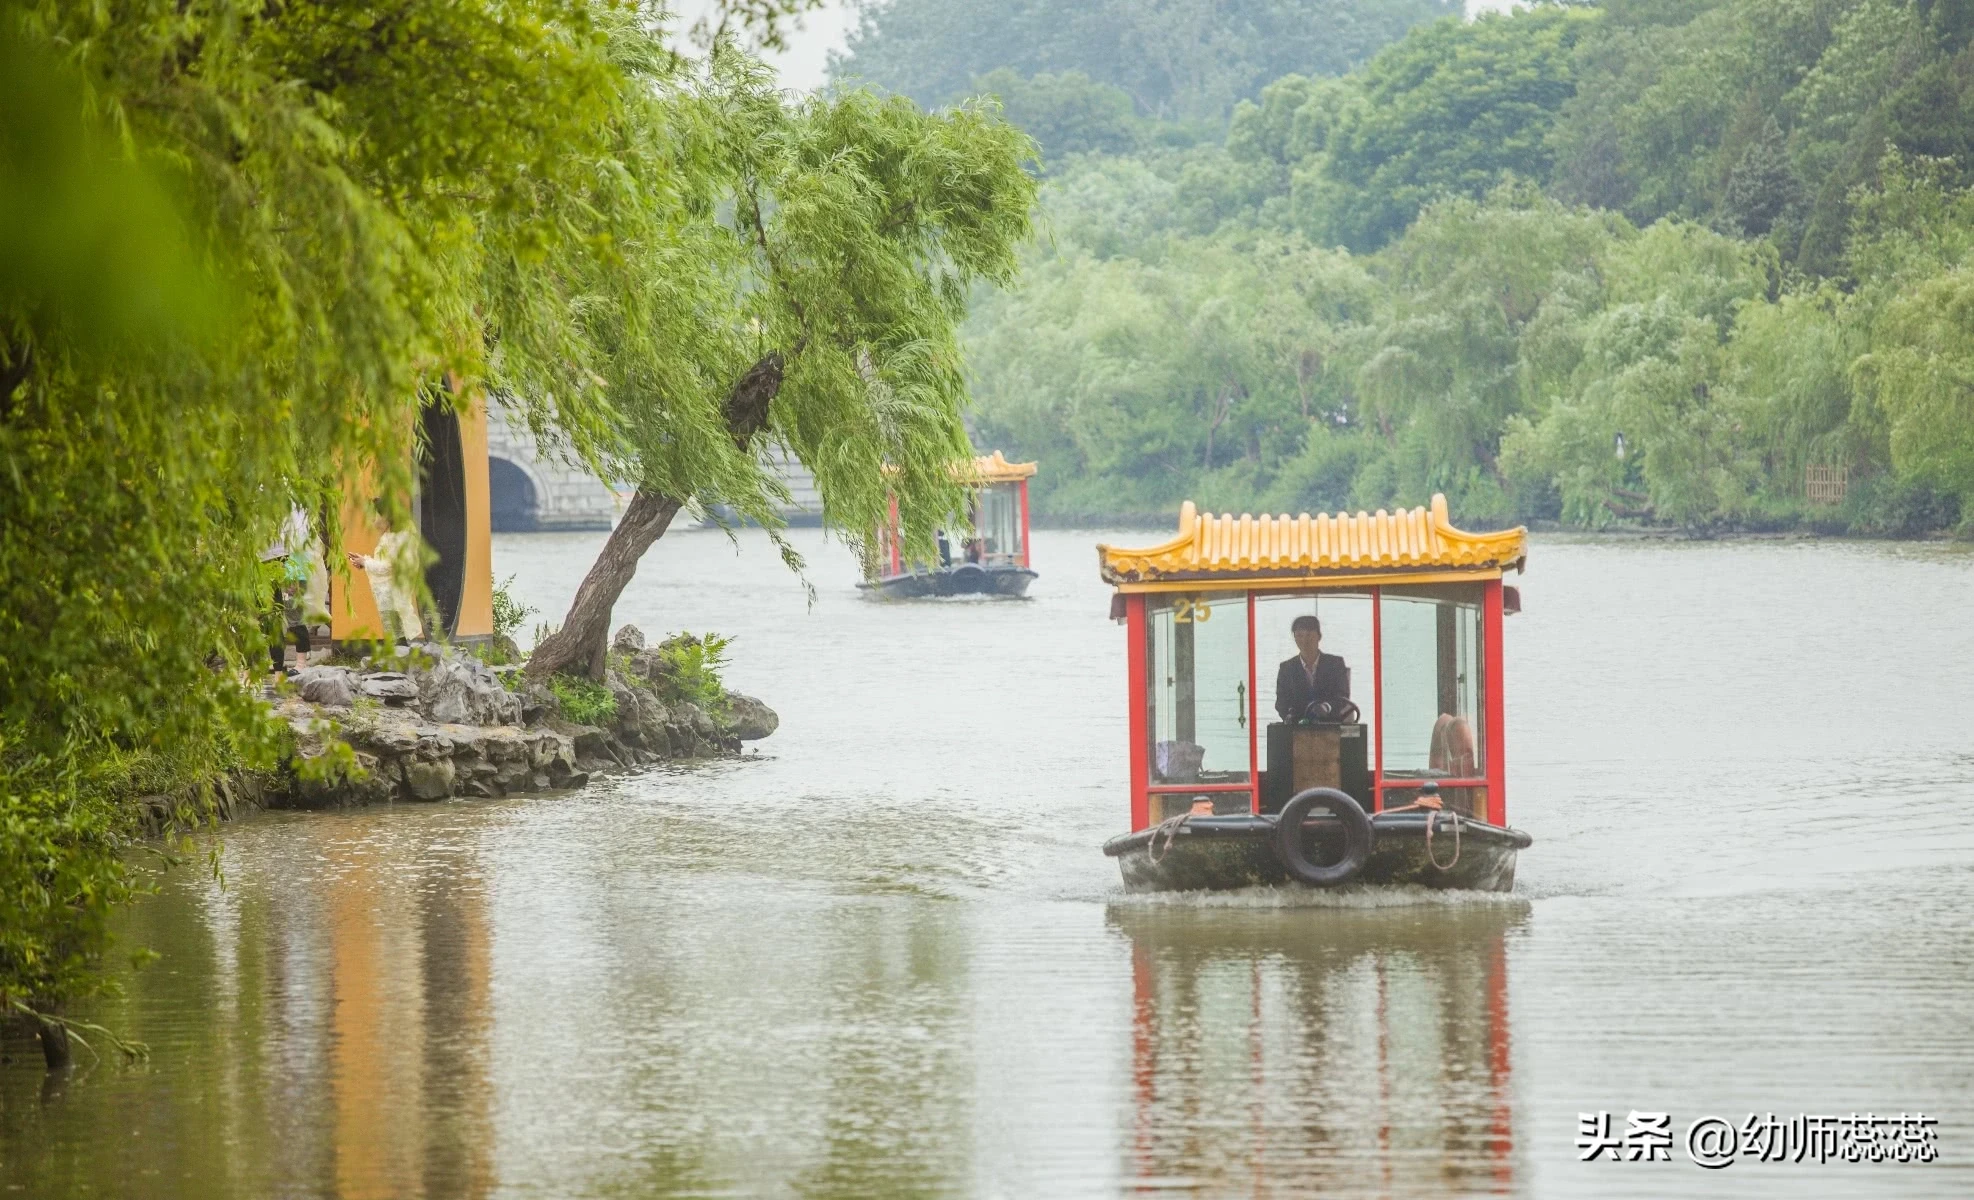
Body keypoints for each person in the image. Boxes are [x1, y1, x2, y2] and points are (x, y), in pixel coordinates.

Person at [347, 526, 424, 642]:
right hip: (386, 593)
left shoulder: (400, 536)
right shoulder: (388, 535)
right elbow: (384, 563)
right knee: (394, 634)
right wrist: (365, 562)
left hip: (393, 592)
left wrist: (366, 562)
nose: (373, 521)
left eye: (377, 515)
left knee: (397, 636)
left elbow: (390, 566)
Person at [1274, 614, 1350, 722]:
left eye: (1309, 635)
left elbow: (1343, 696)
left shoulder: (1335, 664)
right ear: (1294, 638)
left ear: (1319, 636)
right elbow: (1281, 702)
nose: (1305, 640)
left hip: (1330, 726)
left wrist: (1326, 707)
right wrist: (1288, 716)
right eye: (1300, 635)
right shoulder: (1286, 668)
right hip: (1297, 727)